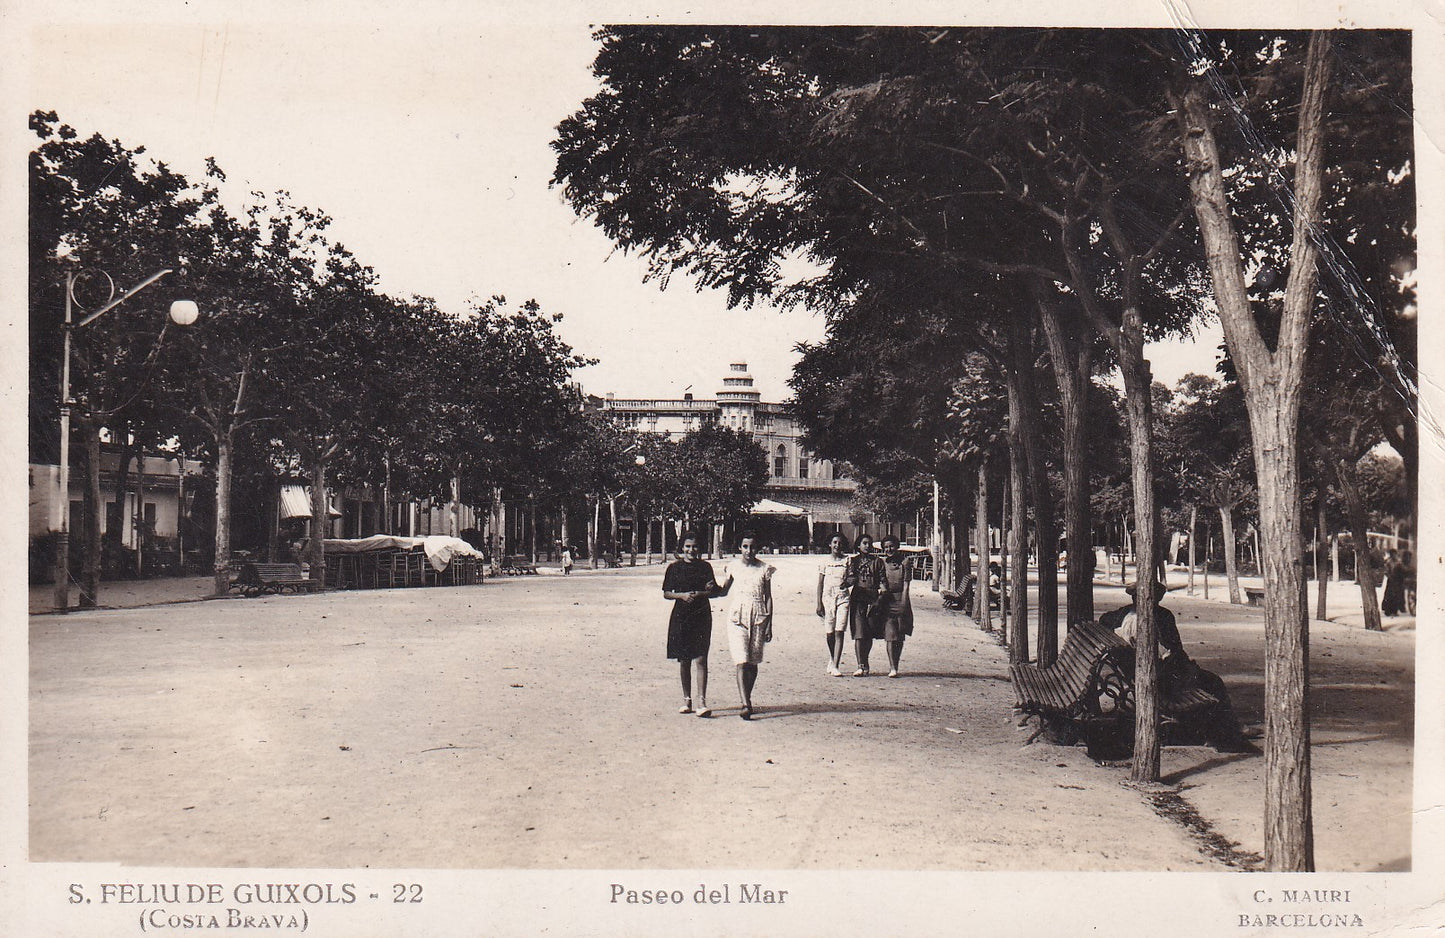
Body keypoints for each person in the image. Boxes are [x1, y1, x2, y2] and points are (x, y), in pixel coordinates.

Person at [1100, 581, 1255, 753]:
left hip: (1141, 673)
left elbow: (1103, 619)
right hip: (1163, 678)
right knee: (1213, 682)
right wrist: (1188, 667)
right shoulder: (1161, 616)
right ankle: (1226, 733)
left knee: (1207, 680)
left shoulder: (1123, 614)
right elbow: (1174, 651)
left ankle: (1226, 729)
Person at [714, 531, 776, 719]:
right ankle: (745, 703)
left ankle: (746, 696)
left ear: (758, 548)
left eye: (753, 547)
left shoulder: (764, 569)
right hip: (737, 617)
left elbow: (768, 597)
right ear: (739, 548)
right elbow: (724, 591)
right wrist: (710, 589)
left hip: (759, 616)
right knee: (741, 659)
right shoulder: (733, 567)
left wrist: (769, 624)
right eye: (745, 546)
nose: (749, 551)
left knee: (753, 662)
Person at [661, 534, 719, 718]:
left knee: (701, 658)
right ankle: (687, 699)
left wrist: (705, 590)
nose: (691, 550)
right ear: (682, 548)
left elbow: (714, 591)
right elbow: (667, 593)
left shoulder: (705, 567)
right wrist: (682, 596)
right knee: (684, 659)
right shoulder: (674, 568)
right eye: (687, 546)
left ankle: (701, 701)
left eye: (694, 546)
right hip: (681, 615)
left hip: (701, 614)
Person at [843, 534, 886, 676]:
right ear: (858, 545)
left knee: (869, 633)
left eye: (870, 543)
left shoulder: (878, 561)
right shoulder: (852, 561)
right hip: (858, 598)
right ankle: (860, 665)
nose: (867, 546)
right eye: (864, 543)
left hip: (873, 599)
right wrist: (846, 582)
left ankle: (865, 661)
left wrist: (882, 594)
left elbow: (882, 580)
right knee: (859, 633)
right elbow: (849, 578)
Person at [876, 535, 915, 677]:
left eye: (891, 546)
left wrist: (904, 603)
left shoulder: (905, 562)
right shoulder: (881, 562)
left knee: (900, 634)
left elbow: (906, 584)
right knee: (890, 633)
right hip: (887, 599)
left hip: (901, 598)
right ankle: (892, 667)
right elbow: (879, 579)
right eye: (886, 547)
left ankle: (896, 665)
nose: (889, 549)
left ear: (897, 546)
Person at [815, 533, 852, 676]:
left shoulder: (847, 560)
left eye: (840, 543)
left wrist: (848, 582)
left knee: (839, 631)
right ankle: (832, 658)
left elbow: (851, 576)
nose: (837, 545)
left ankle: (836, 664)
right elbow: (820, 584)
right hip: (827, 599)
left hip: (843, 598)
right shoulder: (824, 562)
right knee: (829, 633)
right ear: (830, 544)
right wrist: (819, 603)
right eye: (835, 542)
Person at [1380, 549, 1405, 616]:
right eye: (1392, 554)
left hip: (1397, 581)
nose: (1394, 555)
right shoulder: (1389, 562)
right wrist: (1389, 576)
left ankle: (1394, 611)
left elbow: (1402, 570)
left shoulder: (1398, 562)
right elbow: (1386, 571)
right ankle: (1388, 610)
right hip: (1391, 581)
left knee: (1396, 595)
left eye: (1395, 554)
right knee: (1389, 595)